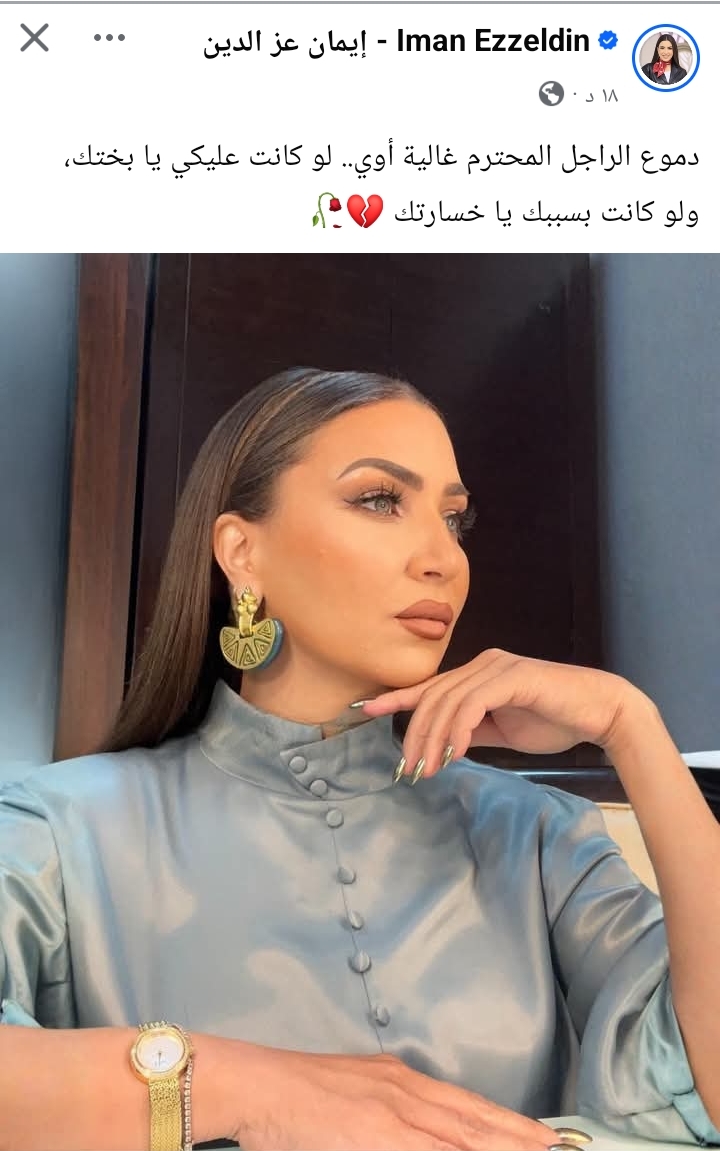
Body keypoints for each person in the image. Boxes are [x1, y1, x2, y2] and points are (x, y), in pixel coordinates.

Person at [1, 366, 720, 1151]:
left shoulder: (539, 836)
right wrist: (252, 1087)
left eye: (455, 519)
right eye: (380, 499)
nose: (443, 557)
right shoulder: (57, 833)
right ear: (242, 552)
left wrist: (631, 725)